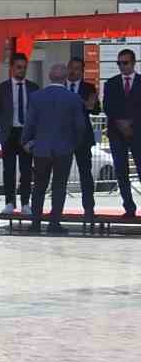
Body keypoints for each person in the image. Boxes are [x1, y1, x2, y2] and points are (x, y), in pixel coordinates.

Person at [23, 62, 86, 235]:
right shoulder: (73, 98)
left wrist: (26, 142)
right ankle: (54, 223)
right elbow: (80, 126)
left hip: (41, 149)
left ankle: (35, 223)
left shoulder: (36, 97)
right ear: (65, 78)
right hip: (64, 149)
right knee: (59, 186)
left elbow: (30, 123)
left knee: (39, 186)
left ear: (49, 76)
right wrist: (74, 144)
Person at [0, 52, 37, 213]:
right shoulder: (3, 88)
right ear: (12, 68)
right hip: (8, 133)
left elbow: (37, 112)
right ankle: (9, 202)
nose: (21, 71)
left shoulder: (33, 88)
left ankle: (25, 203)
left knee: (26, 169)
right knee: (8, 169)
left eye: (24, 68)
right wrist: (3, 125)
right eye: (18, 67)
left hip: (26, 133)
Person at [103, 48, 141, 218]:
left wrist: (131, 123)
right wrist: (120, 123)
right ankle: (129, 207)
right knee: (121, 171)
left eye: (125, 63)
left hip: (138, 132)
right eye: (119, 63)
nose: (121, 66)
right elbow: (108, 106)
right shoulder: (110, 83)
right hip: (117, 133)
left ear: (133, 63)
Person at [64, 56, 99, 223]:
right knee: (60, 174)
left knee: (86, 174)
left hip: (83, 138)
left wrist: (91, 105)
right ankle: (57, 209)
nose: (73, 71)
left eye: (77, 68)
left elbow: (96, 110)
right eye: (71, 67)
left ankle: (89, 208)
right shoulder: (60, 86)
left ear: (82, 71)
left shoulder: (89, 88)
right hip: (62, 138)